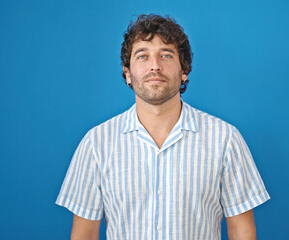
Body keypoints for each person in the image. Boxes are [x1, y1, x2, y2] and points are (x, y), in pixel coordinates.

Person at [56, 14, 270, 240]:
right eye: (142, 56)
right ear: (127, 73)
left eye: (166, 55)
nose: (155, 66)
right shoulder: (96, 143)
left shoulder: (225, 139)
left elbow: (242, 232)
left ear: (184, 70)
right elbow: (84, 235)